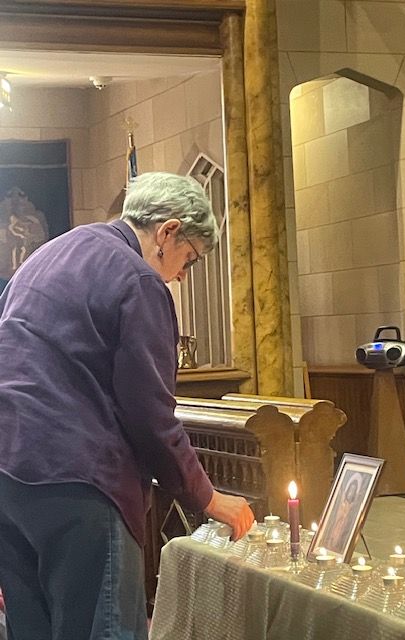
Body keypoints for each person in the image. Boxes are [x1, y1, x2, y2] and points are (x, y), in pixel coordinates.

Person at [0, 172, 254, 640]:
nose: (182, 274)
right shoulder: (137, 278)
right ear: (168, 231)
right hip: (80, 481)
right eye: (190, 259)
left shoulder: (54, 251)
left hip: (9, 477)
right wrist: (207, 497)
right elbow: (150, 414)